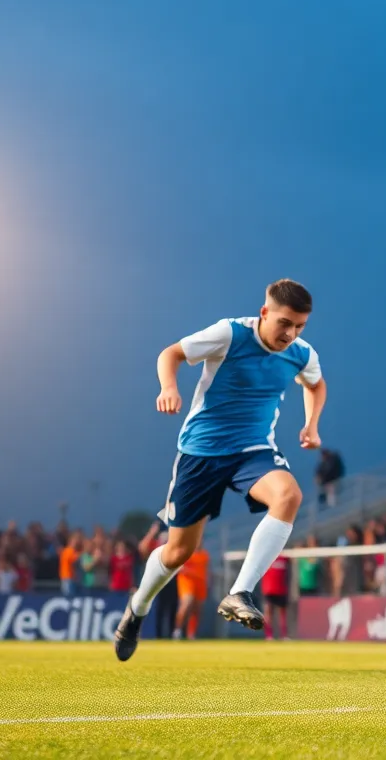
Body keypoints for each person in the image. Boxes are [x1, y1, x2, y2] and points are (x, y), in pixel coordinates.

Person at [115, 279, 326, 661]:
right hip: (201, 453)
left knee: (289, 495)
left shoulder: (301, 353)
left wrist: (311, 424)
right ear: (264, 313)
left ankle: (240, 591)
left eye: (299, 326)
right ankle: (137, 610)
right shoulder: (229, 333)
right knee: (179, 551)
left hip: (253, 450)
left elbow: (316, 384)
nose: (290, 333)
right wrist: (169, 387)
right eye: (284, 323)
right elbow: (171, 353)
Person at [138, 523, 179, 639]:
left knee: (173, 608)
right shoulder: (156, 545)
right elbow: (142, 549)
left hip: (174, 579)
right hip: (159, 579)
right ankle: (159, 636)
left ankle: (171, 635)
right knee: (159, 609)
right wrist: (152, 532)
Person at [175, 542, 209, 640]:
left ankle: (191, 633)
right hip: (187, 581)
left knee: (197, 610)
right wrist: (188, 571)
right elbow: (178, 566)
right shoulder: (186, 553)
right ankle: (177, 630)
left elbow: (207, 570)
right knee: (186, 604)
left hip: (200, 583)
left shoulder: (204, 555)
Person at [261, 554, 290, 640]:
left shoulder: (284, 558)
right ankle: (269, 635)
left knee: (283, 613)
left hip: (281, 590)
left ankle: (284, 635)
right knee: (268, 612)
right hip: (269, 590)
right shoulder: (266, 557)